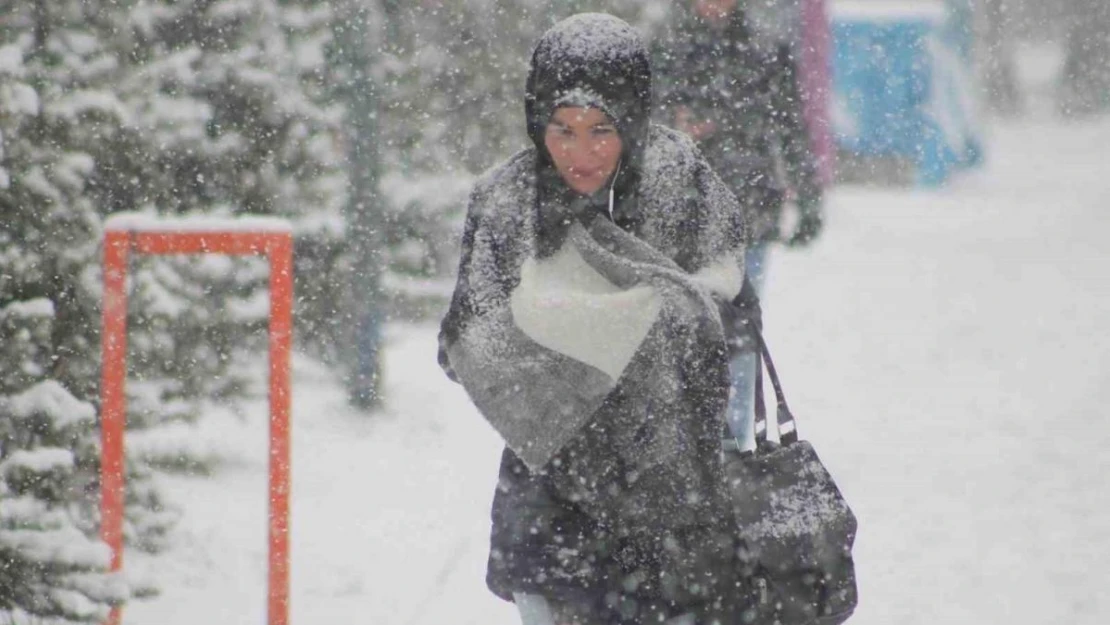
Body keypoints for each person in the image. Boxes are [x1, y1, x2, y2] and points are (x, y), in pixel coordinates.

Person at [437, 13, 767, 625]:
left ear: (634, 119)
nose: (579, 153)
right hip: (550, 503)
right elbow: (464, 343)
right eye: (561, 129)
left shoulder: (682, 185)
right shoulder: (508, 202)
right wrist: (582, 348)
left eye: (601, 130)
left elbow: (732, 316)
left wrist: (638, 325)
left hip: (671, 509)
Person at [652, 0, 825, 451]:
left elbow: (791, 128)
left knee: (739, 335)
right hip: (676, 220)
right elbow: (637, 129)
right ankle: (688, 452)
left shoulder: (766, 50)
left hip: (747, 214)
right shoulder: (662, 49)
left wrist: (808, 200)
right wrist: (678, 127)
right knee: (679, 338)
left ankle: (731, 450)